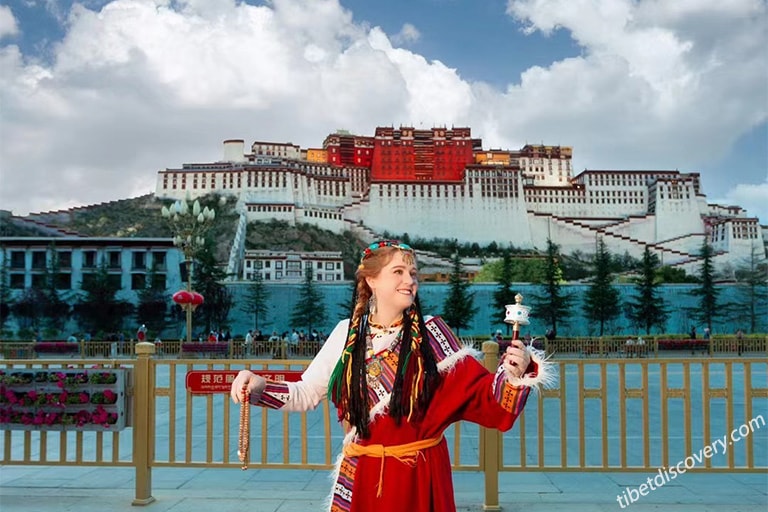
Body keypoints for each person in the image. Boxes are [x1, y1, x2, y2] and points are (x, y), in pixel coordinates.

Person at [230, 240, 553, 511]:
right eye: (398, 272)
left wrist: (515, 370)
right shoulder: (347, 334)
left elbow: (485, 399)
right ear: (371, 281)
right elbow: (305, 394)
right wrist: (259, 388)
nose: (410, 280)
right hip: (363, 474)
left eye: (413, 273)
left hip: (419, 478)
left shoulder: (433, 339)